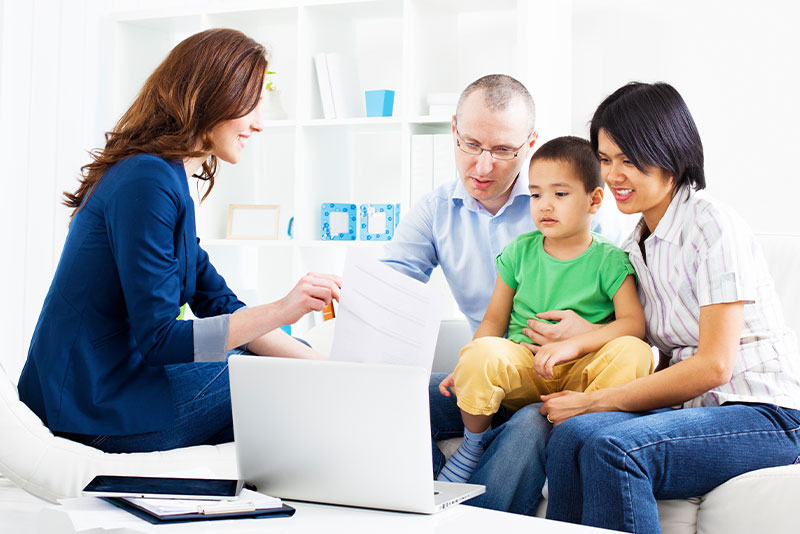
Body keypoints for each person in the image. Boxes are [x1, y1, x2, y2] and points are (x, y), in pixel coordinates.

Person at [17, 29, 341, 453]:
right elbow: (160, 341)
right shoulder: (146, 179)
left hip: (112, 392)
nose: (259, 123)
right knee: (275, 379)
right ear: (212, 95)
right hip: (90, 410)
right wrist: (283, 309)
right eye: (252, 102)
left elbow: (221, 306)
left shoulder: (166, 179)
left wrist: (338, 370)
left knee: (299, 369)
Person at [541, 82, 800, 533]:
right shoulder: (634, 244)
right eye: (605, 160)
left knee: (614, 450)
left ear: (670, 152)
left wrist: (595, 401)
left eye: (629, 159)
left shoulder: (711, 225)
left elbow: (714, 366)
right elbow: (653, 349)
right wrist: (585, 335)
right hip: (697, 409)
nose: (613, 175)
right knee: (569, 438)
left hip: (766, 413)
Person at [383, 74, 615, 515]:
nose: (483, 167)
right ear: (453, 130)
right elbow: (391, 288)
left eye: (504, 151)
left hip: (558, 376)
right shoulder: (436, 210)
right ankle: (423, 503)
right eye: (470, 145)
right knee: (395, 397)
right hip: (492, 370)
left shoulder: (569, 205)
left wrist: (589, 332)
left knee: (532, 422)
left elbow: (631, 311)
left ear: (530, 143)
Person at [435, 136, 653, 484]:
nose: (545, 205)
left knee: (634, 351)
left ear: (594, 200)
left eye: (560, 194)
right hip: (525, 364)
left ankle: (578, 428)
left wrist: (574, 345)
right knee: (481, 353)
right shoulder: (519, 251)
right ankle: (474, 444)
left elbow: (633, 324)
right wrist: (468, 363)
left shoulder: (610, 259)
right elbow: (494, 319)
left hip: (584, 375)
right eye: (536, 194)